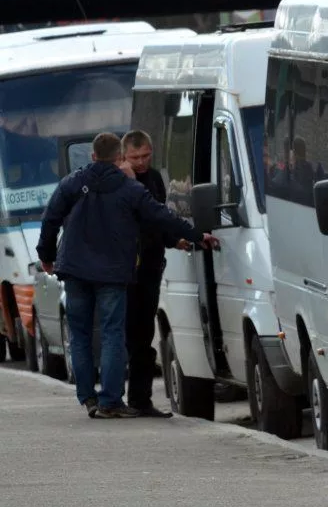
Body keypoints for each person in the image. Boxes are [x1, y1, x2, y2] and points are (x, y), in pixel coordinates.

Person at [36, 133, 218, 419]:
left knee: (80, 335)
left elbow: (51, 218)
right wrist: (196, 235)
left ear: (93, 156)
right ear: (119, 156)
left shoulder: (73, 182)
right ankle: (110, 400)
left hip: (75, 270)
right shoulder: (129, 188)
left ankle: (88, 398)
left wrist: (46, 255)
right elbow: (162, 216)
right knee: (112, 334)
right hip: (112, 272)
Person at [120, 130, 189, 418]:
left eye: (146, 155)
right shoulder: (120, 182)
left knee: (144, 335)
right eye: (134, 157)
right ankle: (120, 398)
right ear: (124, 156)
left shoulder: (156, 178)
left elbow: (158, 218)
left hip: (150, 266)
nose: (141, 162)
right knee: (127, 336)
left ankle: (140, 399)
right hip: (125, 271)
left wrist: (175, 240)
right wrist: (131, 182)